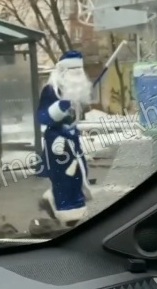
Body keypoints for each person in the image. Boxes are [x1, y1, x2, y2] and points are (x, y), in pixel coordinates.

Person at [36, 50, 93, 227]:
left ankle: (72, 209)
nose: (77, 74)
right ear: (62, 71)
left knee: (77, 175)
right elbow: (43, 116)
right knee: (63, 177)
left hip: (72, 139)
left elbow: (76, 117)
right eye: (72, 69)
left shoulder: (77, 92)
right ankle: (68, 213)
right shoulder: (51, 90)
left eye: (79, 69)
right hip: (57, 141)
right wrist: (59, 108)